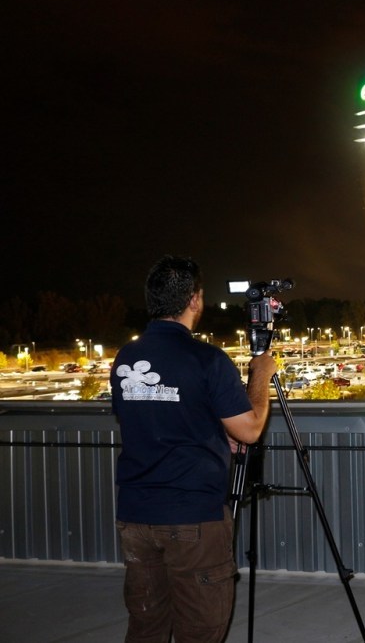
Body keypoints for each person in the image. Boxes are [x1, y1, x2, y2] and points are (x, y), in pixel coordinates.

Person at [111, 255, 277, 642]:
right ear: (195, 300)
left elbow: (157, 419)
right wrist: (261, 375)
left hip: (135, 516)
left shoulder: (126, 357)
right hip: (193, 517)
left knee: (146, 627)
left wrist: (218, 435)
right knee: (201, 629)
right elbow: (251, 429)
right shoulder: (207, 359)